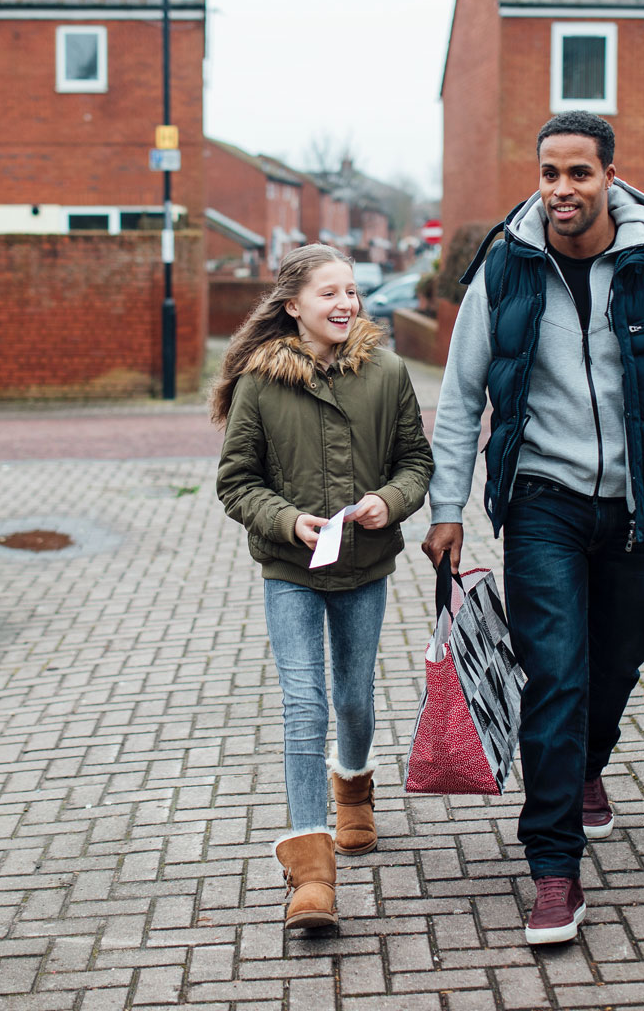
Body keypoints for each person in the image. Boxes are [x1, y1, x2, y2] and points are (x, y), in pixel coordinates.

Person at [423, 110, 644, 946]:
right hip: (543, 501)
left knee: (618, 662)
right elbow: (459, 400)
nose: (562, 190)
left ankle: (588, 770)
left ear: (609, 176)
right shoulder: (507, 267)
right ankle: (554, 868)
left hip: (635, 504)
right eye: (549, 175)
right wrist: (447, 509)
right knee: (555, 675)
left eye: (578, 174)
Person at [214, 243, 435, 933]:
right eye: (328, 294)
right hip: (290, 570)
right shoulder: (259, 381)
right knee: (305, 706)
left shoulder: (389, 372)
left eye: (352, 292)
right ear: (293, 307)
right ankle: (311, 874)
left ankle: (356, 791)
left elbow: (416, 462)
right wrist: (288, 520)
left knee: (353, 697)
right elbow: (236, 481)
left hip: (365, 566)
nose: (346, 304)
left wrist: (389, 503)